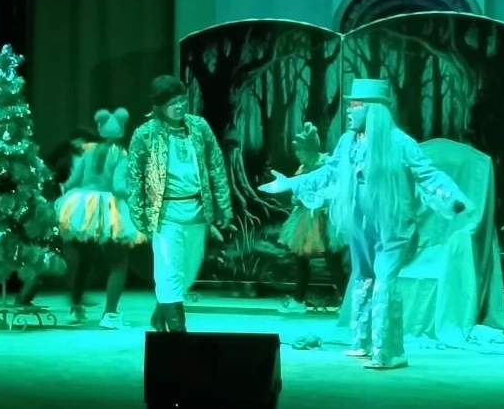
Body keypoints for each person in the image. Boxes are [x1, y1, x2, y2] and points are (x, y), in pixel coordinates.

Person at [259, 78, 469, 370]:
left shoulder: (399, 143)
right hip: (360, 223)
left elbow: (427, 174)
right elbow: (329, 174)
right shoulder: (348, 142)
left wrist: (450, 196)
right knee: (363, 278)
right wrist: (291, 183)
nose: (349, 111)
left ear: (374, 110)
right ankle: (362, 341)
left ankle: (387, 351)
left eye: (356, 105)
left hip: (393, 224)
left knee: (384, 281)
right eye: (350, 104)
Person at [127, 75, 232, 332]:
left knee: (188, 272)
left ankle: (160, 313)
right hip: (165, 214)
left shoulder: (199, 127)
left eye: (182, 100)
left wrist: (223, 205)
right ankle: (178, 332)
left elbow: (216, 166)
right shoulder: (145, 134)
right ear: (159, 106)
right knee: (168, 271)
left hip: (197, 211)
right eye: (172, 102)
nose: (179, 106)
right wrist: (138, 214)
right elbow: (134, 177)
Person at [55, 107, 146, 328]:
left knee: (86, 258)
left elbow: (73, 181)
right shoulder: (121, 154)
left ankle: (75, 308)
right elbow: (118, 187)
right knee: (118, 262)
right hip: (107, 208)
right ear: (122, 130)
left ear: (100, 128)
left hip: (82, 206)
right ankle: (110, 315)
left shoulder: (88, 151)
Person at [15, 126, 103, 307]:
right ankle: (25, 296)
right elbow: (53, 181)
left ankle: (76, 297)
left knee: (87, 252)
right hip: (61, 212)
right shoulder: (64, 157)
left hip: (78, 214)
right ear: (77, 141)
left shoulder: (87, 159)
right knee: (54, 254)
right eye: (87, 142)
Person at [277, 122, 350, 314]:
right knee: (301, 259)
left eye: (300, 150)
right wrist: (296, 198)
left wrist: (317, 198)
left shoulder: (326, 165)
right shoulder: (302, 168)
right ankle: (299, 300)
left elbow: (335, 189)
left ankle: (347, 303)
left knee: (333, 260)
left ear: (310, 150)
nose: (297, 154)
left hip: (325, 218)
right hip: (305, 221)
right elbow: (297, 194)